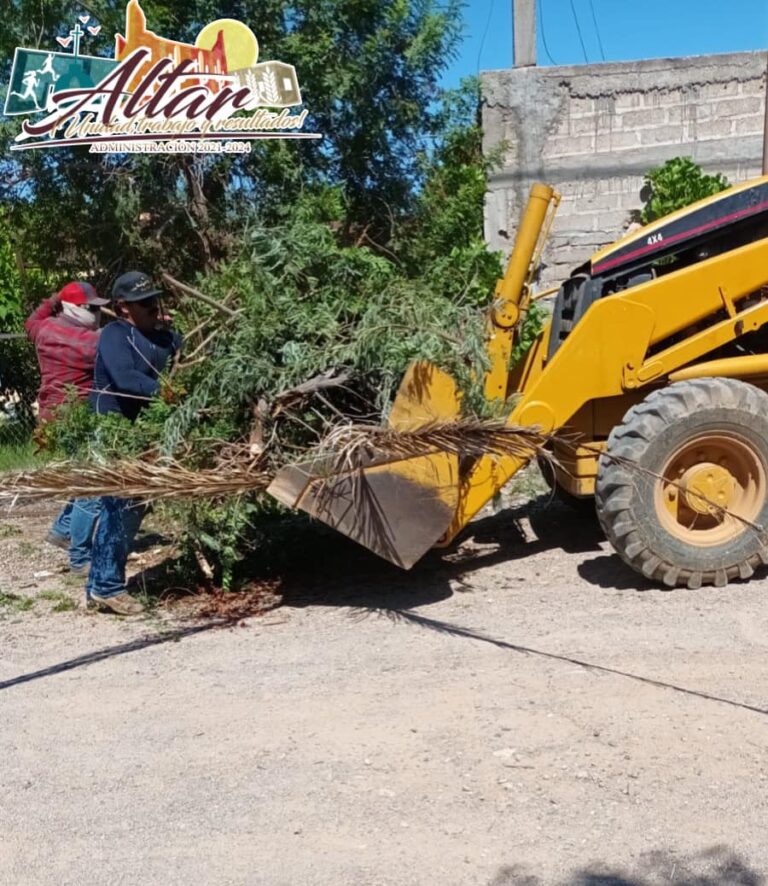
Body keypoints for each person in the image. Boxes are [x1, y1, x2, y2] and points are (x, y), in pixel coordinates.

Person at [87, 271, 181, 615]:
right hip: (113, 429)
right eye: (146, 303)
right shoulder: (114, 335)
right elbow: (127, 380)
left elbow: (185, 359)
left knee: (133, 506)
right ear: (123, 307)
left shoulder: (162, 337)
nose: (154, 307)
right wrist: (171, 394)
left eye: (156, 300)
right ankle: (107, 587)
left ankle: (98, 585)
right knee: (120, 504)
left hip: (144, 432)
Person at [25, 281, 109, 573]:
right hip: (78, 418)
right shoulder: (89, 342)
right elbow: (115, 346)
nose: (98, 313)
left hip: (50, 417)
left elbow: (31, 319)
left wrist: (54, 298)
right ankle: (80, 557)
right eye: (94, 308)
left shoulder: (44, 329)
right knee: (92, 487)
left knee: (82, 476)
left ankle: (62, 530)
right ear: (78, 309)